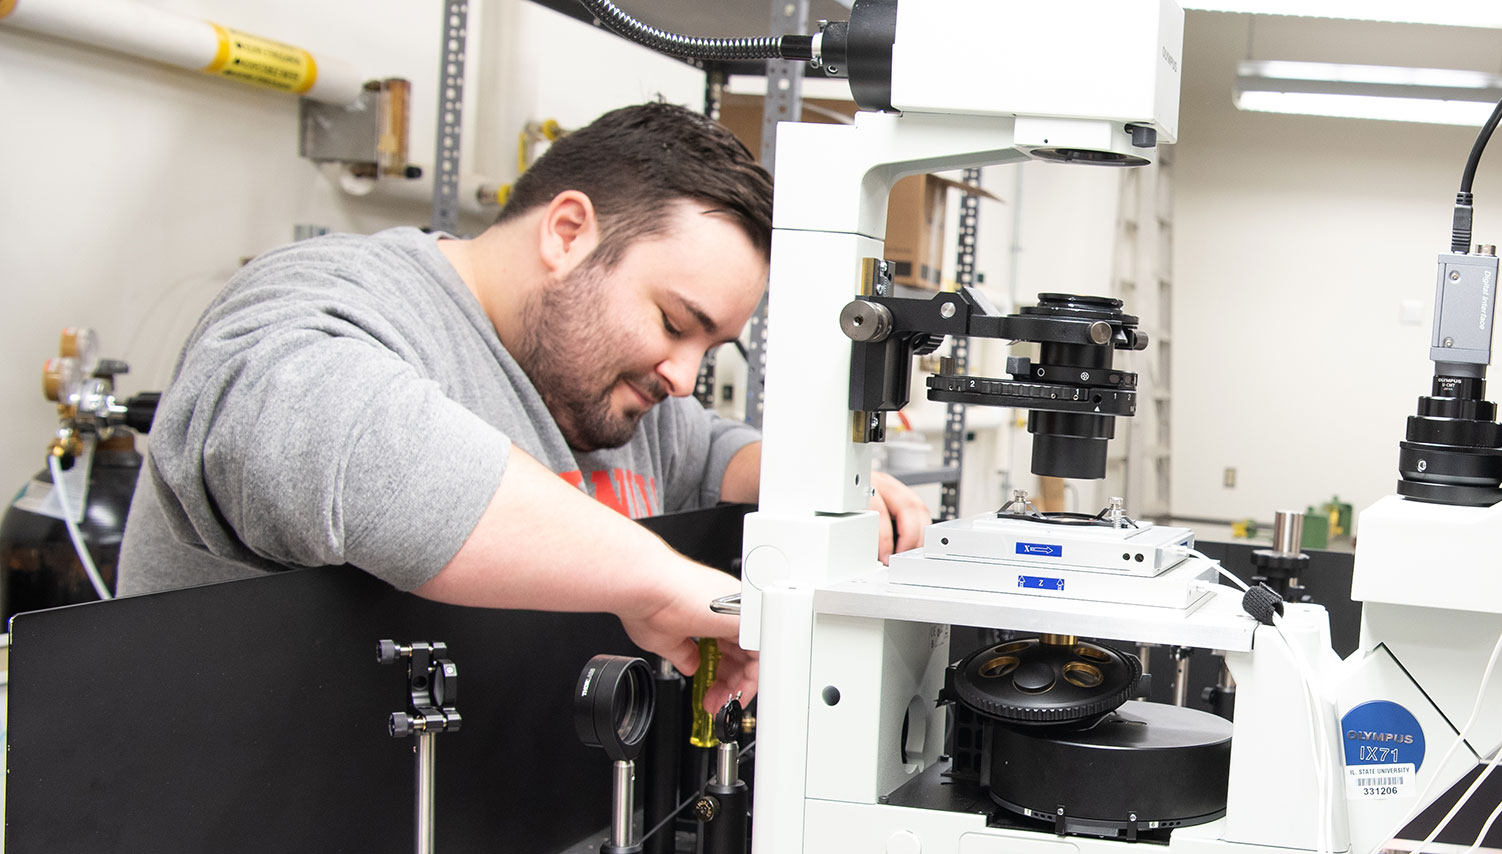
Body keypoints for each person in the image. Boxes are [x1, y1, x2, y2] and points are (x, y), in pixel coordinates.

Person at [120, 102, 931, 710]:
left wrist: (826, 484)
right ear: (569, 232)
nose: (683, 376)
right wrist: (655, 582)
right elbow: (345, 446)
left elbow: (710, 454)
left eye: (709, 348)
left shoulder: (615, 395)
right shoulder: (330, 303)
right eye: (676, 324)